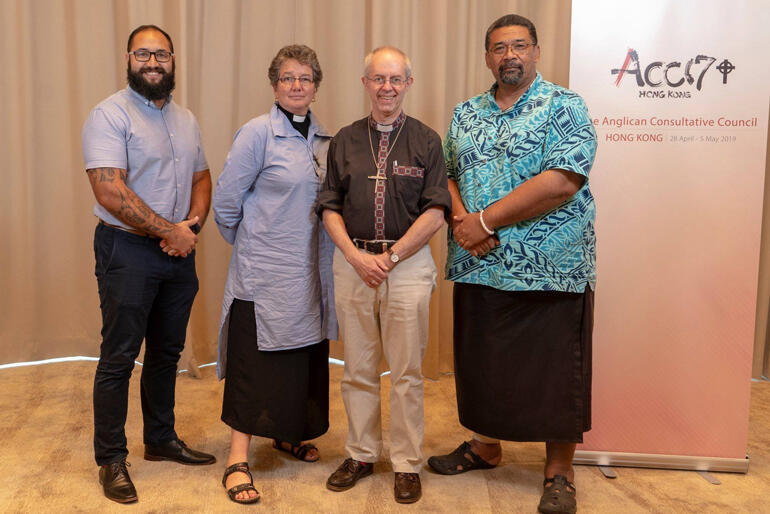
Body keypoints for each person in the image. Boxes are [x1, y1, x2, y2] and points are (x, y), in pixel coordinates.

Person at [427, 14, 598, 514]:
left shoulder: (565, 105)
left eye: (519, 45)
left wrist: (485, 220)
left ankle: (559, 471)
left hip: (552, 267)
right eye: (499, 48)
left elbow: (563, 179)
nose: (510, 55)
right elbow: (447, 173)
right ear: (487, 58)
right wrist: (462, 218)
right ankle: (485, 446)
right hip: (479, 266)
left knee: (555, 373)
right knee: (484, 365)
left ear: (537, 52)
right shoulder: (465, 114)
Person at [82, 24, 215, 504]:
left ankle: (160, 440)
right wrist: (170, 231)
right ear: (128, 58)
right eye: (144, 54)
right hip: (127, 249)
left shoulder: (186, 119)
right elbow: (109, 191)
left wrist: (191, 228)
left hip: (179, 251)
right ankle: (111, 459)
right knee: (119, 357)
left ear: (173, 61)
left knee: (166, 354)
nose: (153, 62)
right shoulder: (108, 115)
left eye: (161, 54)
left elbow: (202, 176)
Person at [317, 46, 451, 504]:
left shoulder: (427, 141)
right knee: (357, 368)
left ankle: (407, 462)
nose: (387, 87)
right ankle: (361, 453)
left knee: (408, 372)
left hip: (408, 266)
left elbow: (437, 211)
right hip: (353, 261)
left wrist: (391, 258)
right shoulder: (345, 140)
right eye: (379, 79)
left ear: (408, 84)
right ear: (365, 83)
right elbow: (328, 206)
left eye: (396, 79)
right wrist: (356, 257)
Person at [212, 44, 337, 505]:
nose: (297, 86)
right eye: (288, 78)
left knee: (301, 355)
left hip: (309, 270)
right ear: (274, 85)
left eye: (305, 78)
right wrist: (254, 247)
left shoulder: (325, 141)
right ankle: (237, 459)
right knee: (255, 362)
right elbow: (226, 204)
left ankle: (286, 433)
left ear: (316, 87)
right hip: (263, 273)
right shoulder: (256, 134)